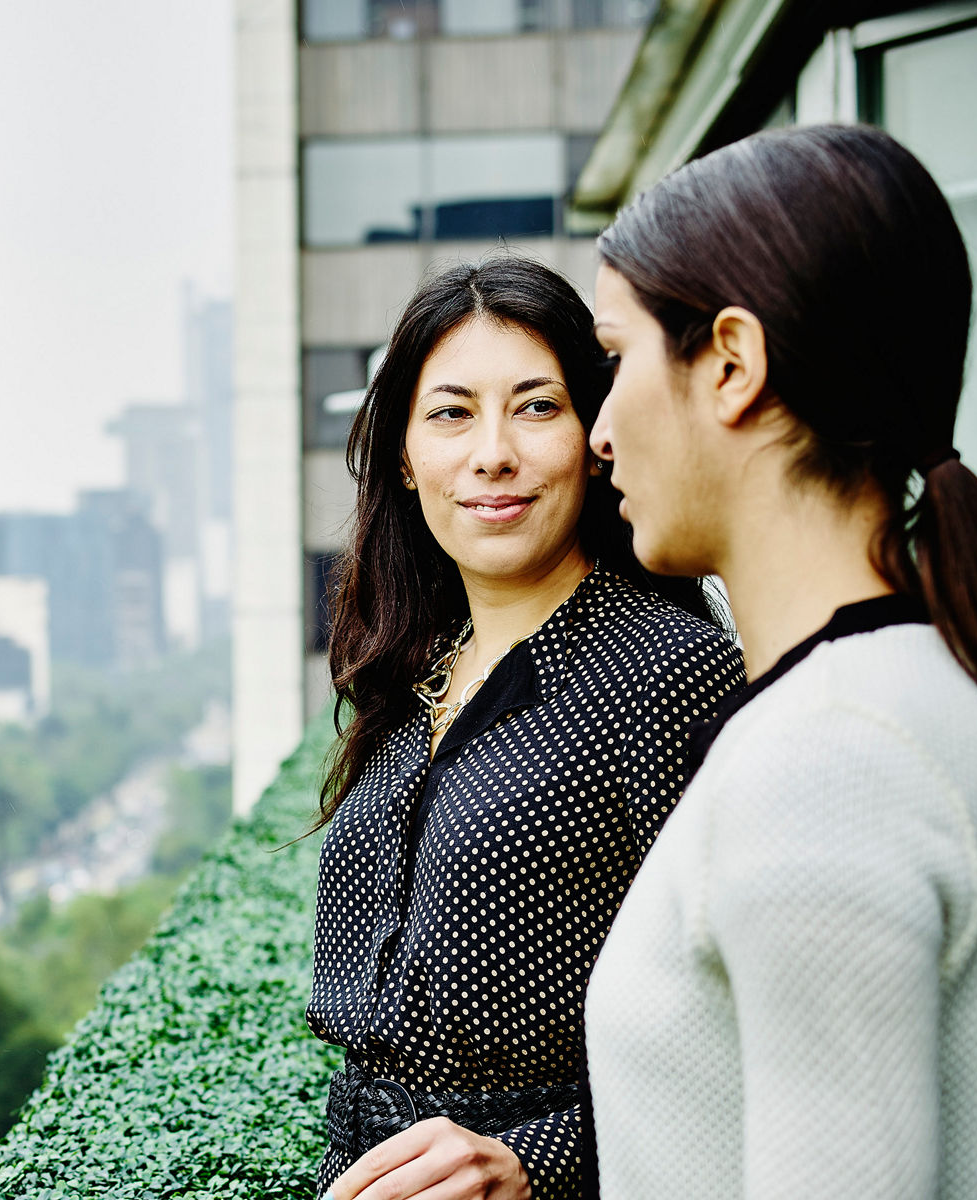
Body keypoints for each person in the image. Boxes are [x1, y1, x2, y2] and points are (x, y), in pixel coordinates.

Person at [584, 123, 977, 1199]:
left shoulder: (826, 760)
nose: (600, 429)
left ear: (731, 365)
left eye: (616, 360)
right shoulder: (905, 690)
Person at [311, 255, 742, 1200]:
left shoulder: (665, 673)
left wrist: (534, 1161)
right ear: (404, 453)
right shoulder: (414, 673)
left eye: (537, 406)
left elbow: (741, 1020)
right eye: (452, 411)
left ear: (596, 437)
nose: (492, 452)